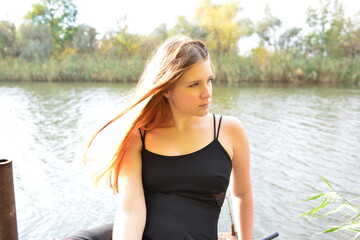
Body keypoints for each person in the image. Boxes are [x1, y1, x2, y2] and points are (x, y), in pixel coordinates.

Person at [64, 35, 253, 240]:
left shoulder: (229, 130)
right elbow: (131, 211)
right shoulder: (138, 137)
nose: (207, 93)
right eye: (194, 84)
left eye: (209, 81)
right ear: (166, 89)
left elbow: (242, 195)